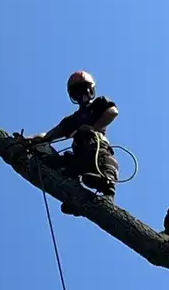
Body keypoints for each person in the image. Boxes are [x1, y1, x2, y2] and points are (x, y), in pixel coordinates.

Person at [24, 71, 120, 209]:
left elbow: (112, 112)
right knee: (58, 163)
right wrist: (30, 139)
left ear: (90, 89)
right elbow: (49, 136)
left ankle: (107, 187)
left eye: (83, 88)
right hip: (79, 155)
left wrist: (92, 128)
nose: (81, 94)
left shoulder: (99, 103)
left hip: (95, 148)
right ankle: (75, 196)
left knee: (102, 158)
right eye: (76, 91)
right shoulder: (72, 119)